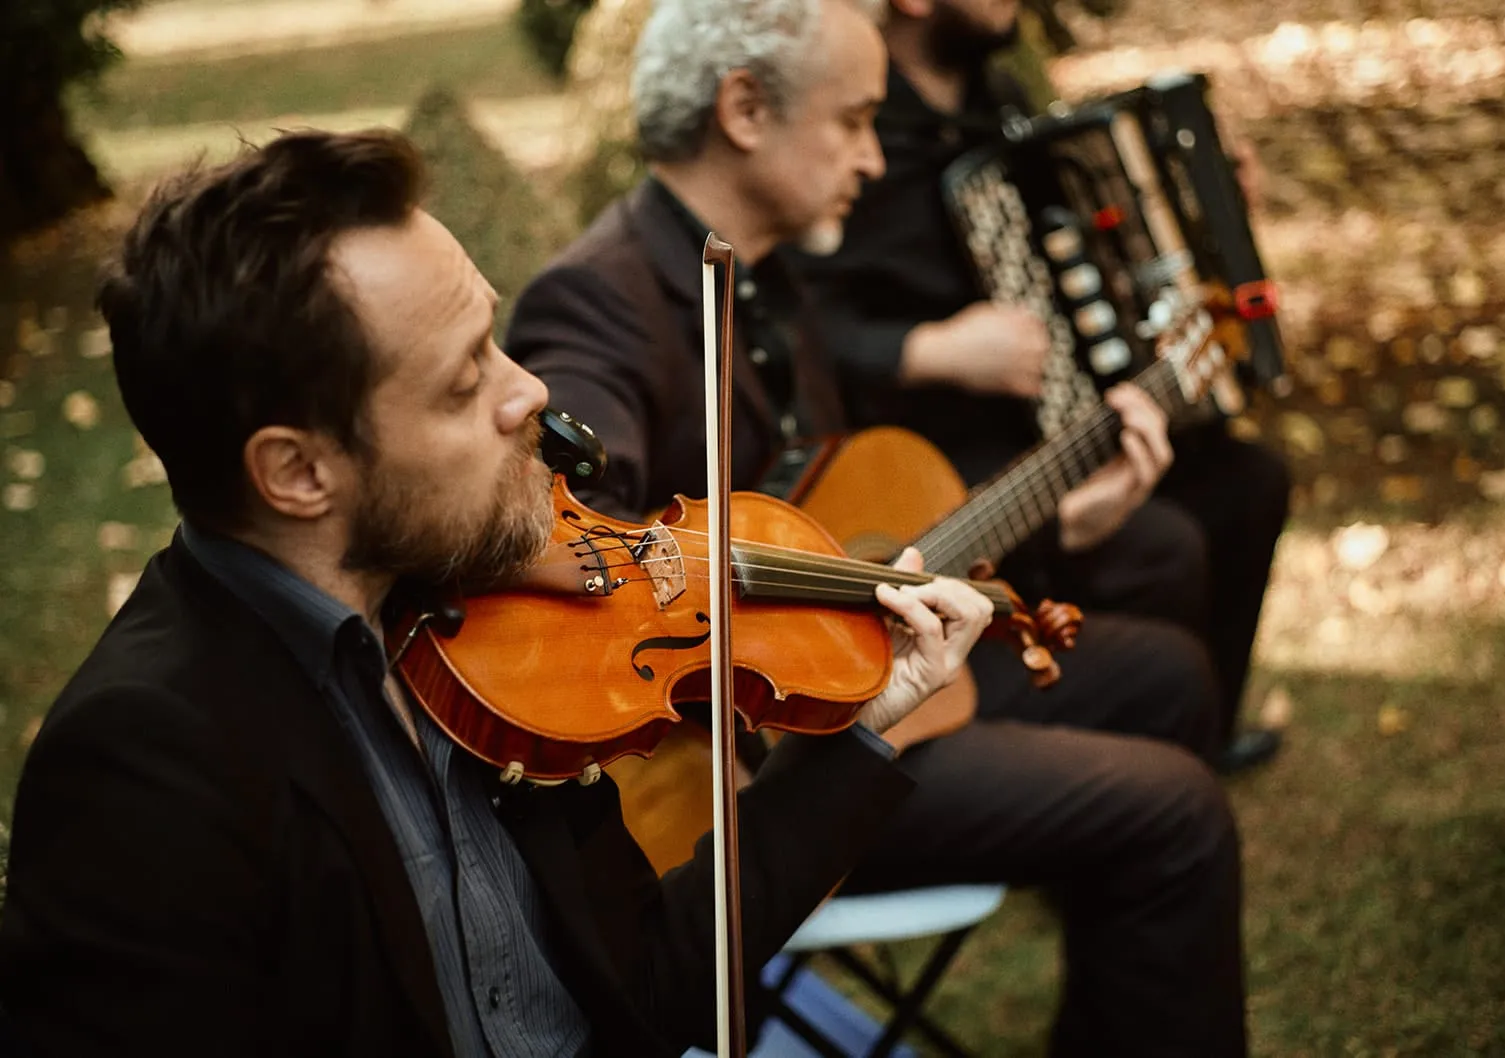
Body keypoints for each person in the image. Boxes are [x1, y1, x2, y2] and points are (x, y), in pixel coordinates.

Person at [0, 128, 1001, 1058]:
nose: (526, 392)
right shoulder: (146, 768)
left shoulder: (489, 635)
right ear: (299, 473)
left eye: (493, 337)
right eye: (460, 378)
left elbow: (647, 982)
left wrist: (860, 727)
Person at [506, 1, 1247, 1054]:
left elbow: (846, 518)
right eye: (854, 120)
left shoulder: (764, 272)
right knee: (1175, 812)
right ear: (745, 108)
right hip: (744, 768)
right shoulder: (599, 300)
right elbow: (573, 548)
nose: (870, 155)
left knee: (1169, 674)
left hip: (855, 681)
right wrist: (768, 659)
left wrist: (1060, 514)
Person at [792, 0, 1292, 774]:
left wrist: (1207, 212)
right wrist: (929, 350)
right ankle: (1128, 760)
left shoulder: (997, 102)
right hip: (932, 456)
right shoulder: (855, 126)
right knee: (1165, 543)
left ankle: (1200, 731)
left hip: (1046, 418)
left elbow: (1090, 246)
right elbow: (802, 316)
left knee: (1249, 479)